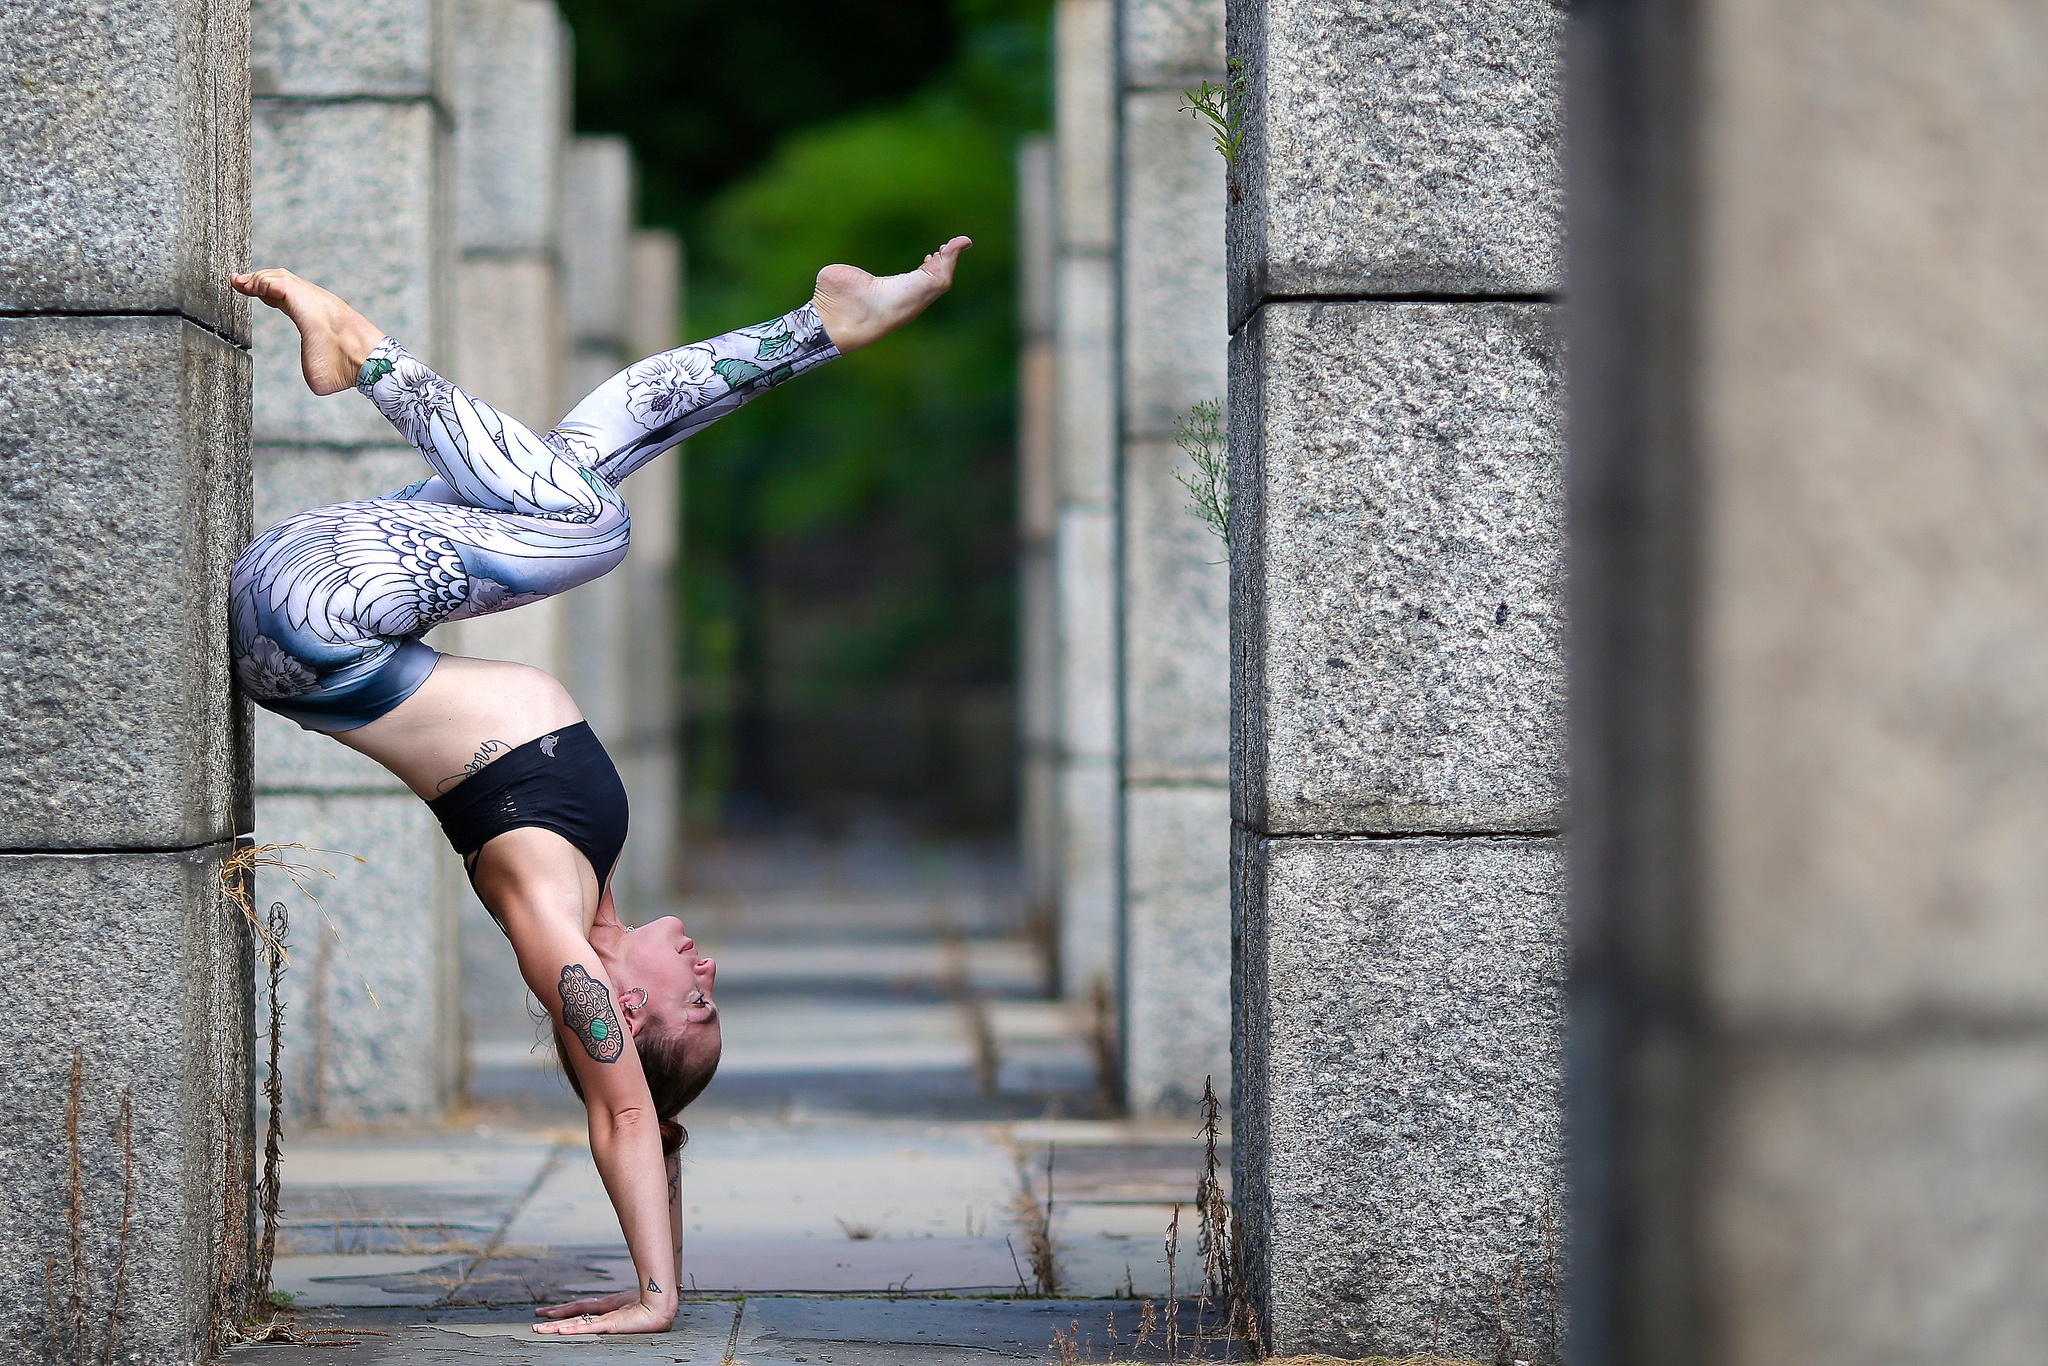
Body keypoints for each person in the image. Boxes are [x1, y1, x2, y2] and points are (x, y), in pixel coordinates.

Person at [227, 239, 970, 1336]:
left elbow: (622, 1105)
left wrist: (658, 1297)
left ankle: (360, 349)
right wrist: (661, 1175)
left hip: (313, 620)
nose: (709, 967)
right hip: (353, 598)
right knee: (592, 451)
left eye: (701, 1001)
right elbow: (650, 1122)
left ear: (622, 1010)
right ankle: (823, 326)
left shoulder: (553, 923)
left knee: (586, 520)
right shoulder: (592, 893)